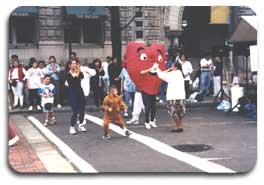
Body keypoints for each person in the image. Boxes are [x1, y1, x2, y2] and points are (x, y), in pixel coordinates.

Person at [156, 62, 186, 132]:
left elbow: (161, 75)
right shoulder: (180, 73)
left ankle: (179, 127)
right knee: (179, 112)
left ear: (176, 67)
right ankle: (180, 126)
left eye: (172, 66)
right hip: (181, 96)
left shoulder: (173, 73)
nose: (171, 67)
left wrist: (157, 68)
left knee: (174, 112)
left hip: (173, 96)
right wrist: (169, 69)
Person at [65, 59, 87, 134]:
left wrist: (79, 70)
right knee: (75, 111)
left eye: (75, 64)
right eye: (73, 64)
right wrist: (77, 73)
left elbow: (82, 76)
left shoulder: (78, 72)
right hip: (73, 92)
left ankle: (80, 125)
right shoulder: (67, 74)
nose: (75, 65)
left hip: (80, 91)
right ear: (69, 65)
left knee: (82, 109)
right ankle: (72, 127)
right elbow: (72, 82)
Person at [140, 63, 159, 129]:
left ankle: (152, 121)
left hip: (153, 92)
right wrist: (150, 68)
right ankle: (147, 122)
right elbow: (141, 72)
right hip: (146, 92)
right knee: (147, 107)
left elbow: (163, 73)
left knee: (154, 107)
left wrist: (170, 69)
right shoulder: (146, 73)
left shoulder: (157, 74)